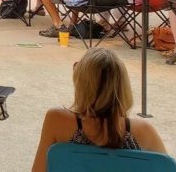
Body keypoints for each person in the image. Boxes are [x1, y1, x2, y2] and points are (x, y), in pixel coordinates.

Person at [31, 48, 166, 171]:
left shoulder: (57, 120)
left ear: (81, 83)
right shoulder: (143, 131)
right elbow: (168, 166)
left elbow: (38, 170)